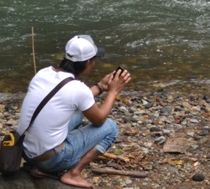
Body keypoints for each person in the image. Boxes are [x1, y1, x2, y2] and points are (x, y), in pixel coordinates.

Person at [20, 34, 131, 188]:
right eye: (94, 60)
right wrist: (113, 91)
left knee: (77, 114)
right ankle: (73, 173)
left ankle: (41, 164)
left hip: (26, 152)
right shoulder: (78, 89)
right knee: (111, 127)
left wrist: (100, 86)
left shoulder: (44, 73)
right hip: (49, 160)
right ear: (88, 63)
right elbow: (99, 119)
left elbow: (69, 98)